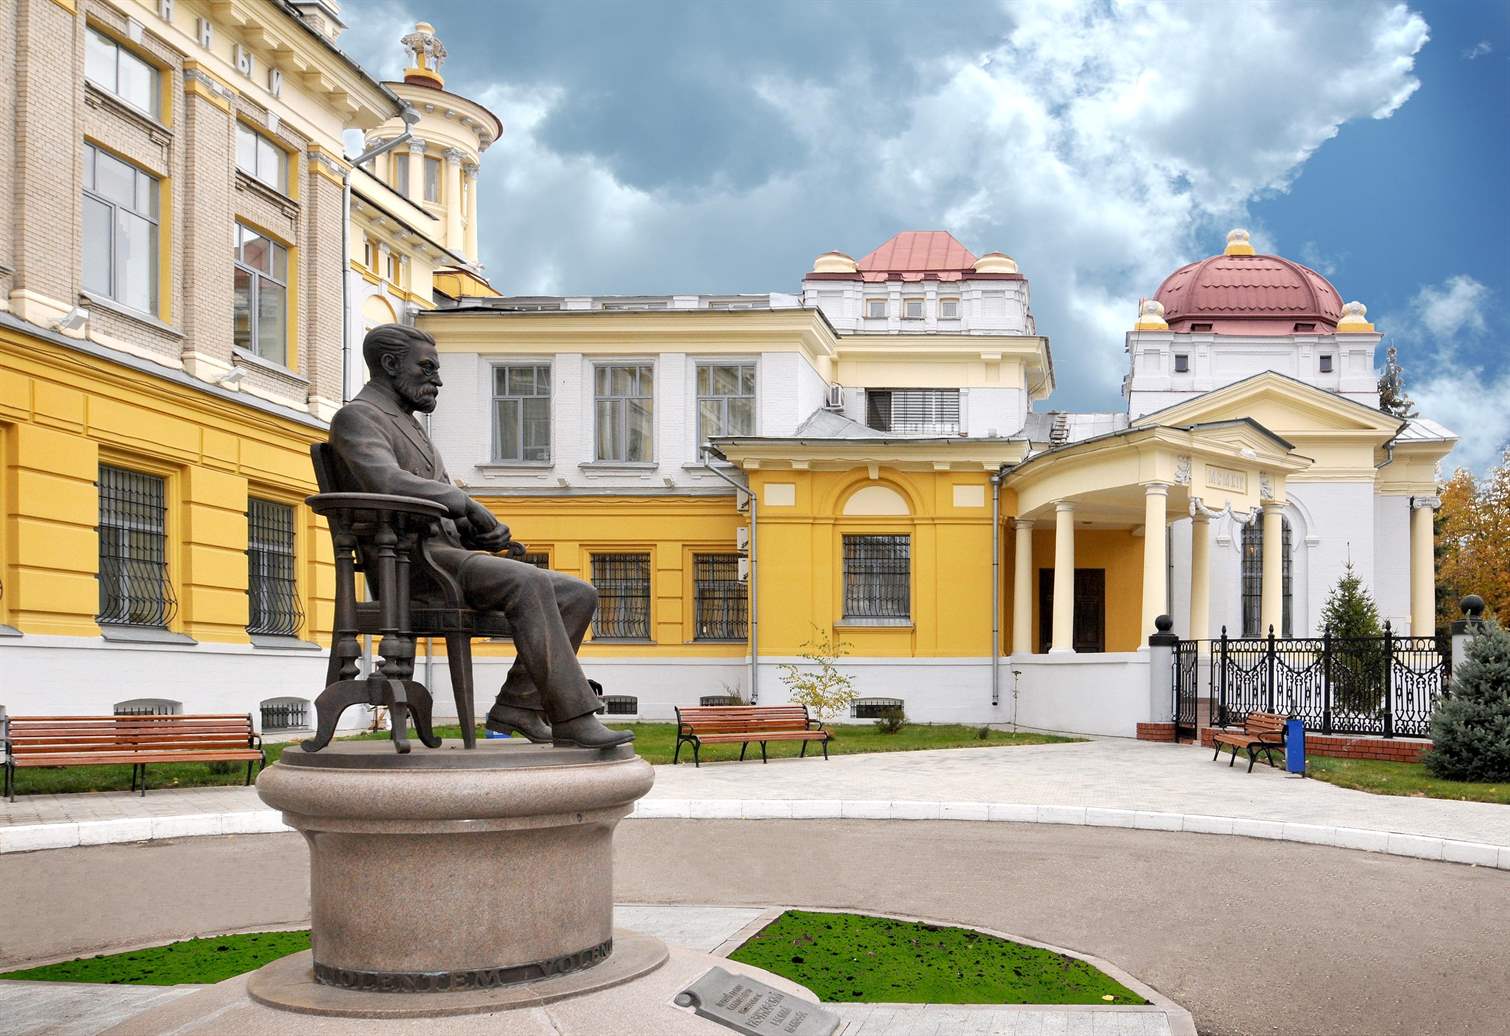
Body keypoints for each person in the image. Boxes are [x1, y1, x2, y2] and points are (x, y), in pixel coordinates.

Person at [328, 324, 632, 749]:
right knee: (528, 582)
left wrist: (478, 531)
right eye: (427, 368)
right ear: (391, 364)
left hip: (447, 556)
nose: (437, 380)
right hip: (410, 566)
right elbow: (386, 482)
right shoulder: (358, 417)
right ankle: (573, 715)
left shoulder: (410, 427)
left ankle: (518, 706)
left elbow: (435, 501)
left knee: (578, 594)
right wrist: (464, 502)